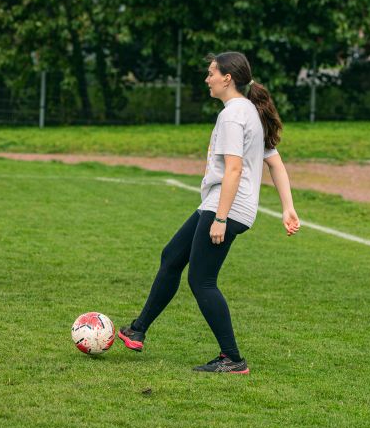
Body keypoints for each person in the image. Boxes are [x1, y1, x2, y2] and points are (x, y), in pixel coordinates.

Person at [117, 51, 300, 374]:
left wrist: (220, 218)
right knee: (172, 256)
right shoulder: (248, 110)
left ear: (227, 78)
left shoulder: (233, 115)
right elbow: (275, 163)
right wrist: (288, 208)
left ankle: (232, 358)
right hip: (220, 204)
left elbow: (234, 169)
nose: (207, 79)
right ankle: (138, 329)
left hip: (226, 207)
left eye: (211, 73)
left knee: (202, 280)